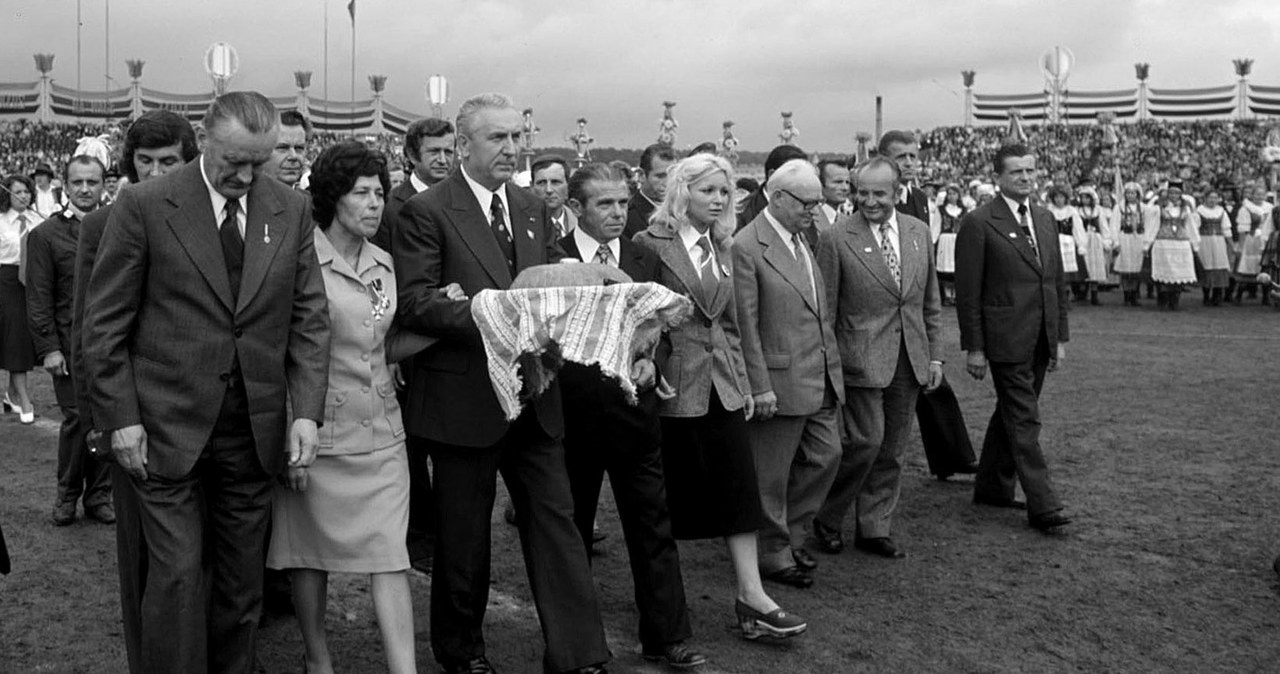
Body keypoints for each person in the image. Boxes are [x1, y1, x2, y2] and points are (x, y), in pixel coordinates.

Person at [83, 91, 330, 673]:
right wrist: (120, 418)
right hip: (163, 432)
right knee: (174, 579)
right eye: (235, 162)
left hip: (252, 435)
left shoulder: (289, 209)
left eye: (259, 162)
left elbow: (309, 318)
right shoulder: (145, 205)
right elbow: (104, 325)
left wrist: (304, 413)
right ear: (206, 139)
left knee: (242, 588)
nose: (247, 175)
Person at [393, 92, 609, 674]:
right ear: (464, 145)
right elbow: (414, 305)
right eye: (499, 138)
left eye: (518, 137)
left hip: (537, 394)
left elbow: (548, 288)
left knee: (559, 525)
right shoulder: (426, 211)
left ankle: (579, 655)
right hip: (466, 400)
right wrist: (498, 314)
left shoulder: (534, 207)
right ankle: (463, 654)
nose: (513, 148)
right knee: (463, 539)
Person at [633, 152, 808, 641]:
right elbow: (640, 317)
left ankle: (752, 597)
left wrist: (745, 383)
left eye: (724, 192)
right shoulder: (650, 244)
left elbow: (731, 326)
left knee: (739, 491)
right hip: (670, 389)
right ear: (681, 191)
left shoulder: (725, 247)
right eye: (707, 190)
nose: (717, 199)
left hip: (722, 389)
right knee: (663, 501)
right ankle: (662, 605)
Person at [268, 141, 418, 674]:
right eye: (362, 193)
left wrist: (455, 321)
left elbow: (385, 343)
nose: (376, 203)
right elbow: (284, 349)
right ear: (334, 198)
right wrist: (292, 426)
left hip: (382, 432)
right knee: (309, 556)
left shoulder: (385, 263)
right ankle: (318, 659)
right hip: (317, 434)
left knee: (391, 556)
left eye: (380, 192)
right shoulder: (298, 257)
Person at [557, 162, 706, 670]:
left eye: (623, 202)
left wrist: (651, 358)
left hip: (634, 414)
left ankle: (666, 635)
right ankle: (576, 644)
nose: (618, 213)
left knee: (651, 527)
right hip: (570, 419)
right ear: (576, 208)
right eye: (605, 204)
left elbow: (664, 326)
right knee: (570, 532)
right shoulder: (549, 260)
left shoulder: (643, 256)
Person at [70, 109, 200, 674]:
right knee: (146, 563)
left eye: (167, 161)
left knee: (199, 562)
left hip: (203, 414)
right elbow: (88, 329)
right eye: (143, 161)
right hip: (133, 419)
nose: (153, 172)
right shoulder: (103, 224)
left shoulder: (212, 222)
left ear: (190, 161)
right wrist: (105, 421)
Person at [812, 157, 943, 559]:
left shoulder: (919, 232)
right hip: (860, 359)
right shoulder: (836, 238)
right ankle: (827, 516)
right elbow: (826, 310)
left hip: (911, 358)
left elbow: (929, 303)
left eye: (879, 193)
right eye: (862, 192)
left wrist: (935, 357)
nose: (869, 201)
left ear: (898, 191)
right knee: (865, 442)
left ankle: (874, 526)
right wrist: (829, 365)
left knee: (893, 450)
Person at [731, 159, 842, 585]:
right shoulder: (746, 245)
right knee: (770, 478)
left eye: (817, 203)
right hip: (777, 381)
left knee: (827, 455)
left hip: (817, 376)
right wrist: (759, 386)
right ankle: (773, 552)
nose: (814, 210)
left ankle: (790, 534)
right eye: (806, 203)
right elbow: (746, 324)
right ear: (777, 198)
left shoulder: (801, 236)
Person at [954, 143, 1071, 533]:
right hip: (1004, 338)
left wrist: (1059, 336)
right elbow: (969, 292)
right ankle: (1044, 503)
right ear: (998, 178)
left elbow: (1055, 281)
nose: (1026, 177)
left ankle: (992, 486)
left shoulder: (1044, 217)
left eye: (1031, 171)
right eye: (1017, 172)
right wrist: (974, 347)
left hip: (1040, 335)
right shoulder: (979, 221)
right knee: (1024, 419)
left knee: (1012, 414)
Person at [25, 154, 113, 526]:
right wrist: (49, 348)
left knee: (109, 421)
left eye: (92, 181)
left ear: (104, 184)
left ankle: (99, 496)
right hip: (67, 347)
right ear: (65, 184)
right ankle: (67, 495)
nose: (85, 189)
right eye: (77, 182)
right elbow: (39, 297)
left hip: (110, 343)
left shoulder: (119, 226)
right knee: (78, 421)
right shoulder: (45, 235)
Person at [373, 116, 455, 252]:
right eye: (434, 152)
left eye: (448, 152)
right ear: (412, 155)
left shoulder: (464, 199)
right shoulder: (390, 205)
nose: (442, 160)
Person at [0, 173, 40, 423]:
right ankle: (24, 398)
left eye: (26, 191)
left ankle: (11, 396)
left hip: (34, 283)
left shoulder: (38, 220)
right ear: (7, 193)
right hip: (6, 281)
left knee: (25, 337)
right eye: (18, 191)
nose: (23, 196)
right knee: (15, 337)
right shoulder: (1, 221)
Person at [1148, 181, 1199, 311]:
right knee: (1164, 273)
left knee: (1178, 274)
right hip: (1163, 243)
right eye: (1171, 192)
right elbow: (1153, 226)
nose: (1174, 195)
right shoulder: (1159, 207)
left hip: (1181, 244)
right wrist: (1147, 243)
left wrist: (1195, 244)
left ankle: (1174, 300)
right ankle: (1163, 299)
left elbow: (1191, 226)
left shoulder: (1185, 208)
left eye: (1177, 193)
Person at [736, 145, 808, 231]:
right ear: (772, 175)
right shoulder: (744, 214)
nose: (803, 183)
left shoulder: (807, 210)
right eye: (794, 176)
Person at [1112, 182, 1158, 306]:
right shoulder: (1119, 208)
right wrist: (1115, 242)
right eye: (1128, 193)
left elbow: (1149, 224)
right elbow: (1114, 225)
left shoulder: (1144, 208)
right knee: (1126, 269)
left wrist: (1147, 242)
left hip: (1138, 239)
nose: (1130, 196)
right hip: (1124, 238)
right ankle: (1126, 295)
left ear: (1137, 194)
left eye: (1133, 193)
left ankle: (1134, 294)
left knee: (1137, 269)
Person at [625, 143, 676, 238]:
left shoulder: (683, 212)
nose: (668, 182)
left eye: (672, 176)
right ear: (641, 175)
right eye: (660, 176)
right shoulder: (627, 217)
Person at [1234, 184, 1274, 305]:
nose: (1259, 197)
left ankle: (1266, 296)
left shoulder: (1270, 208)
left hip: (1267, 240)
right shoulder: (1246, 208)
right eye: (1257, 194)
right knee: (1249, 267)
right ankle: (1239, 295)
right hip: (1252, 240)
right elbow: (1242, 229)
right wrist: (1241, 247)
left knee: (1266, 267)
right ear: (1252, 195)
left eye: (1262, 194)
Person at [1075, 187, 1113, 305]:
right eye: (1082, 197)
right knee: (1085, 265)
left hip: (1096, 241)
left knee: (1095, 266)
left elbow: (1103, 226)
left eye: (1087, 197)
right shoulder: (1077, 210)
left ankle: (1094, 295)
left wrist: (1106, 240)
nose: (1084, 200)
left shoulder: (1098, 210)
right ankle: (1081, 294)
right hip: (1084, 239)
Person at [1045, 186, 1084, 301]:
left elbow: (1077, 229)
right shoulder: (1049, 211)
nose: (1058, 200)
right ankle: (1057, 296)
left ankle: (1066, 295)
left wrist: (1081, 244)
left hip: (1068, 244)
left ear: (1066, 198)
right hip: (1054, 243)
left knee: (1067, 272)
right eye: (1056, 197)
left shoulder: (1072, 211)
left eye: (1061, 197)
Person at [1194, 190, 1233, 306]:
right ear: (1205, 198)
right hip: (1204, 241)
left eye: (1215, 198)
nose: (1213, 200)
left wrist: (1230, 243)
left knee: (1219, 265)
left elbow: (1226, 228)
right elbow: (1195, 228)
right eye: (1210, 197)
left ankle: (1217, 295)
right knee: (1207, 265)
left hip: (1219, 241)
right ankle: (1206, 295)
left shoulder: (1221, 211)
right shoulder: (1199, 211)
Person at [262, 109, 312, 188]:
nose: (293, 156)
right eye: (283, 148)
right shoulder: (243, 198)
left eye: (299, 148)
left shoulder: (309, 198)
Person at [936, 184, 967, 305]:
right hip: (945, 240)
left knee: (956, 266)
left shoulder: (963, 211)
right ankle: (948, 295)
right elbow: (936, 226)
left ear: (958, 195)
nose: (951, 196)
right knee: (946, 266)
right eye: (949, 194)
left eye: (954, 194)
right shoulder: (941, 210)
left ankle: (956, 294)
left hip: (958, 240)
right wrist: (933, 241)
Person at [532, 153, 576, 237]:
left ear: (568, 186)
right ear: (532, 187)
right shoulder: (520, 226)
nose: (549, 190)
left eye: (555, 182)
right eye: (541, 183)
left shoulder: (581, 224)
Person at [816, 158, 851, 233]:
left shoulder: (848, 222)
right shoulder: (810, 220)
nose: (845, 188)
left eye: (847, 182)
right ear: (821, 184)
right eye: (838, 182)